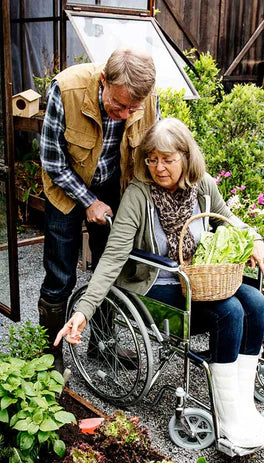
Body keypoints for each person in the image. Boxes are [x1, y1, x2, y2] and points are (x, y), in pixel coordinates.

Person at [54, 117, 264, 448]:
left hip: (199, 281)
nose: (159, 168)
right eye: (152, 159)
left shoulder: (203, 186)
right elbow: (114, 256)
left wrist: (254, 237)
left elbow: (228, 218)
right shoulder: (138, 195)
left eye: (168, 159)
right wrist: (85, 309)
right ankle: (229, 420)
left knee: (256, 302)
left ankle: (244, 410)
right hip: (156, 287)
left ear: (186, 158)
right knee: (230, 311)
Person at [38, 48, 158, 373]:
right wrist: (88, 200)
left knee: (112, 268)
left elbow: (150, 153)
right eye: (118, 105)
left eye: (133, 108)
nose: (125, 114)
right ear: (104, 79)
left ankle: (103, 346)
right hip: (67, 187)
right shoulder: (66, 89)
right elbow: (52, 161)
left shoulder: (145, 100)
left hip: (114, 186)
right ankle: (50, 356)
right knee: (60, 275)